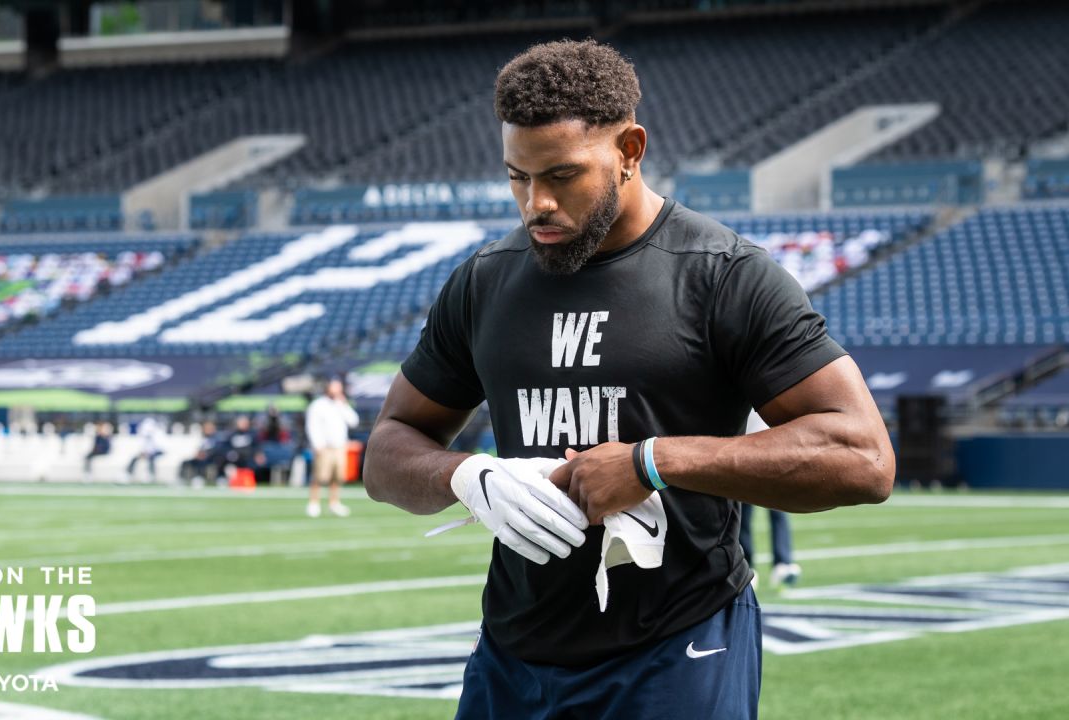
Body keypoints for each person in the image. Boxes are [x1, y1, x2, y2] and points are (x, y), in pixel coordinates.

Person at [362, 40, 894, 720]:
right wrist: (465, 476)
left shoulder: (723, 275)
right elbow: (387, 451)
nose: (536, 204)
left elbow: (865, 458)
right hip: (512, 652)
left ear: (630, 149)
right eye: (517, 178)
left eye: (561, 176)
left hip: (680, 646)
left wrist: (653, 461)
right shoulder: (485, 280)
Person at [738, 411, 801, 588]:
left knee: (778, 509)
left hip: (773, 451)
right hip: (746, 451)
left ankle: (783, 563)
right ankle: (748, 565)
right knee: (744, 513)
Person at [305, 378, 359, 517]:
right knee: (319, 476)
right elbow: (312, 426)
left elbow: (353, 421)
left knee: (337, 477)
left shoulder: (341, 404)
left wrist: (344, 404)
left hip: (339, 446)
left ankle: (334, 503)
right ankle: (313, 503)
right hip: (324, 447)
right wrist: (317, 444)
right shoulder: (318, 405)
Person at [125, 417, 164, 484]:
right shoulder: (144, 436)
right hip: (147, 452)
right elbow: (143, 446)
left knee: (151, 458)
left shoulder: (158, 434)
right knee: (134, 458)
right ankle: (128, 474)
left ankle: (152, 475)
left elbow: (160, 447)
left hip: (158, 452)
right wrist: (144, 452)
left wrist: (149, 452)